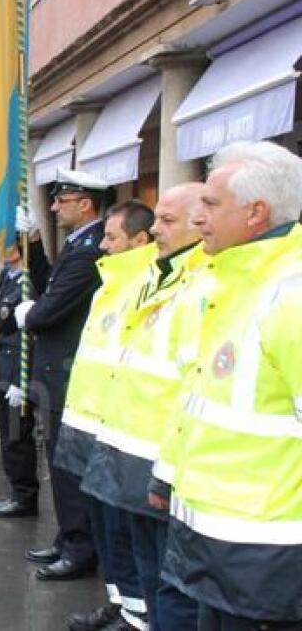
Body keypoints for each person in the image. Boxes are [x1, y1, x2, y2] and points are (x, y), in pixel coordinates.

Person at [154, 142, 302, 629]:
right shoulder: (233, 284)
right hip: (216, 540)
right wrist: (167, 475)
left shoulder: (290, 292)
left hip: (268, 556)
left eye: (212, 205)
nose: (199, 219)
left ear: (257, 212)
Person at [74, 185, 203, 631]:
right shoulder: (151, 276)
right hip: (123, 437)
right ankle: (132, 609)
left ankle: (138, 614)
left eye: (168, 220)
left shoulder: (200, 281)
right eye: (158, 219)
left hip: (164, 454)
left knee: (168, 576)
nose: (158, 228)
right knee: (139, 558)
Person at [54, 199, 155, 630]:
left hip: (121, 432)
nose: (104, 245)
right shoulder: (110, 284)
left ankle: (135, 612)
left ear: (139, 240)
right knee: (105, 526)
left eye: (111, 237)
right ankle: (120, 602)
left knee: (125, 532)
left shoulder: (144, 286)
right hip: (92, 425)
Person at [15, 167, 111, 582]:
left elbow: (49, 306)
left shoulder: (90, 249)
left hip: (66, 371)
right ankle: (68, 536)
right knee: (58, 461)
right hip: (56, 369)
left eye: (61, 200)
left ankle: (78, 546)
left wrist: (29, 316)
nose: (54, 207)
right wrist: (34, 245)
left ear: (84, 204)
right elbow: (46, 283)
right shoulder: (78, 244)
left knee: (67, 464)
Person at [0, 217, 49, 519]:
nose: (3, 248)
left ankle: (24, 495)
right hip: (3, 362)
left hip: (17, 366)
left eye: (9, 242)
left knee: (17, 436)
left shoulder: (29, 280)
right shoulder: (7, 277)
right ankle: (16, 489)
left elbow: (28, 335)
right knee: (7, 432)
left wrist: (19, 379)